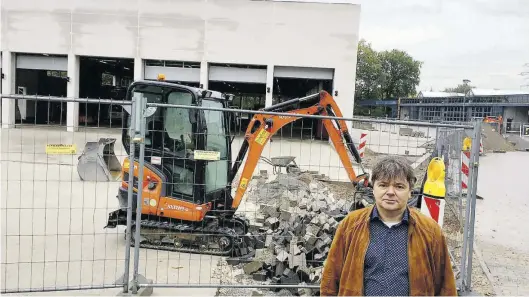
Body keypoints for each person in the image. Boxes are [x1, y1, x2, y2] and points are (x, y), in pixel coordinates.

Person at [320, 155, 457, 296]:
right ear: (373, 188)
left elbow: (446, 287)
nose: (390, 192)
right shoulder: (350, 225)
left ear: (410, 191)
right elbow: (330, 281)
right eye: (383, 185)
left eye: (399, 186)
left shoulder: (430, 232)